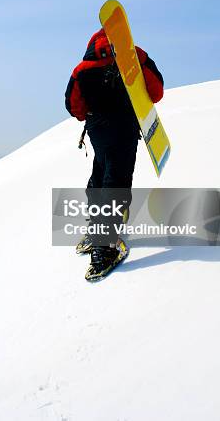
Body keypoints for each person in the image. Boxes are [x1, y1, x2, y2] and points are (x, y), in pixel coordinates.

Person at [65, 28, 164, 280]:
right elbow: (156, 92)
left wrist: (91, 114)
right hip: (125, 127)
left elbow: (73, 105)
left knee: (100, 176)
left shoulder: (82, 68)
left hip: (98, 129)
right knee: (116, 183)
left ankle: (94, 229)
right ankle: (104, 248)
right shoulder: (135, 56)